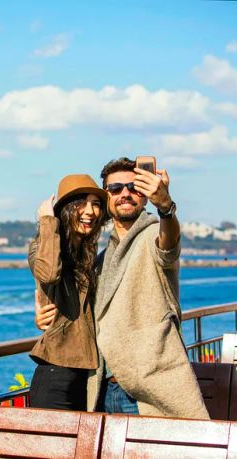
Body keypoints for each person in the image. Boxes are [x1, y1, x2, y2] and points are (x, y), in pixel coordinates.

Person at [35, 158, 209, 419]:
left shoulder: (152, 235)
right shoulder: (101, 259)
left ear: (146, 196)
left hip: (146, 391)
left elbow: (168, 244)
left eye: (134, 187)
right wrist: (43, 308)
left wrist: (166, 207)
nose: (125, 193)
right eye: (115, 189)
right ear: (106, 197)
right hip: (101, 390)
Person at [27, 174, 108, 411]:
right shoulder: (42, 248)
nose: (90, 211)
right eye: (82, 203)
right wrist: (47, 222)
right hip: (56, 374)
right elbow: (49, 273)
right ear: (66, 209)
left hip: (87, 375)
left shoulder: (86, 253)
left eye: (96, 204)